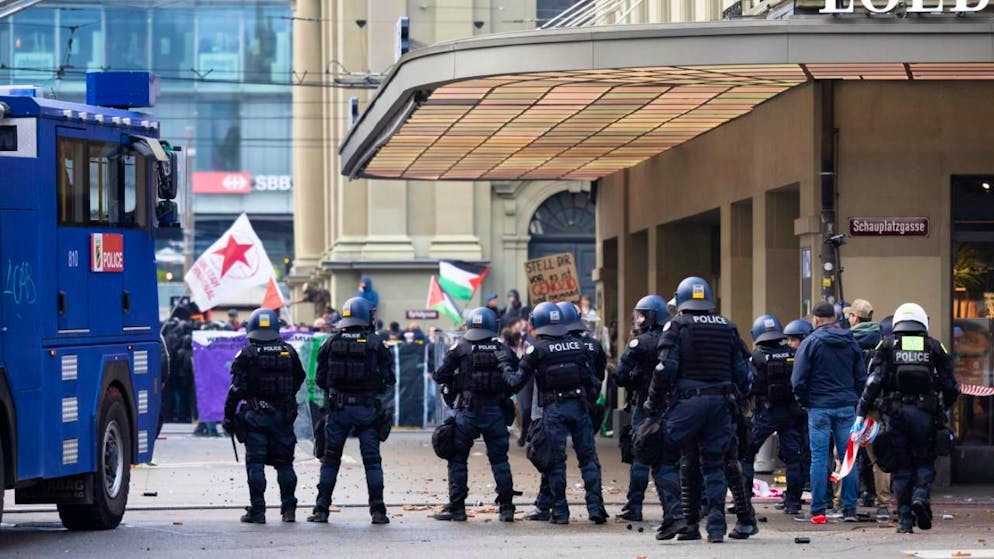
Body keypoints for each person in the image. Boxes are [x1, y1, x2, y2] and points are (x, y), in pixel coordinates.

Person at [644, 277, 751, 543]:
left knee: (666, 455)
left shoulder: (678, 325)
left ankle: (682, 519)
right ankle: (715, 527)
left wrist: (653, 403)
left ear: (682, 300)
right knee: (714, 463)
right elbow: (742, 372)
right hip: (721, 403)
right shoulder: (727, 326)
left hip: (687, 404)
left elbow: (665, 369)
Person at [856, 303, 958, 534]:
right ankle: (920, 497)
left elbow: (874, 381)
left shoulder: (886, 345)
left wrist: (861, 412)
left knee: (901, 467)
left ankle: (904, 520)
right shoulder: (935, 347)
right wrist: (942, 408)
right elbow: (951, 386)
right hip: (925, 415)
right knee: (924, 461)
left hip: (895, 415)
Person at [504, 301, 607, 525]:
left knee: (555, 462)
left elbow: (515, 382)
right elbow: (594, 379)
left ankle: (560, 512)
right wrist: (588, 400)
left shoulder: (537, 350)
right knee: (588, 459)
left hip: (554, 410)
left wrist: (504, 365)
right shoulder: (580, 346)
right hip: (579, 408)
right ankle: (596, 508)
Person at [308, 297, 396, 525]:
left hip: (339, 410)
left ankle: (321, 510)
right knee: (372, 462)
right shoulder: (376, 343)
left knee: (330, 460)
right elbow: (390, 379)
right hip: (367, 410)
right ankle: (378, 511)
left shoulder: (330, 342)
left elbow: (320, 379)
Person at [431, 307, 519, 522]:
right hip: (495, 412)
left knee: (458, 458)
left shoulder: (461, 347)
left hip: (467, 412)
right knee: (500, 460)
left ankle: (458, 507)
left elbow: (440, 375)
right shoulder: (502, 349)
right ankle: (506, 508)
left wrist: (456, 384)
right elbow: (517, 377)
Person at [223, 308, 306, 524]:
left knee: (255, 463)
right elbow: (300, 377)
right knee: (285, 464)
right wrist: (285, 398)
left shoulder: (247, 354)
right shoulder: (289, 351)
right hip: (283, 418)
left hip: (256, 417)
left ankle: (258, 511)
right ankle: (289, 509)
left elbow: (235, 390)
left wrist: (228, 417)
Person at [791, 301, 867, 524]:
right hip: (846, 406)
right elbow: (861, 376)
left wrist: (805, 402)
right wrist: (854, 399)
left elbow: (798, 379)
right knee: (848, 458)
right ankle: (850, 509)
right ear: (834, 318)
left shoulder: (810, 343)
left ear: (816, 320)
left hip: (819, 407)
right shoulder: (850, 341)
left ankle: (818, 510)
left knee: (818, 458)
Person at [612, 295, 673, 523]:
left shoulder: (640, 343)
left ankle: (634, 505)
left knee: (641, 454)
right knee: (675, 456)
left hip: (645, 406)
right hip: (673, 405)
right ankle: (678, 507)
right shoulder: (675, 339)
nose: (638, 319)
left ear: (651, 316)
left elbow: (620, 376)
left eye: (641, 315)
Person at [744, 314, 808, 516]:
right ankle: (793, 502)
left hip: (766, 413)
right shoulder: (793, 353)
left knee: (746, 454)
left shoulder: (756, 357)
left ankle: (743, 502)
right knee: (794, 458)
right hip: (790, 412)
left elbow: (748, 385)